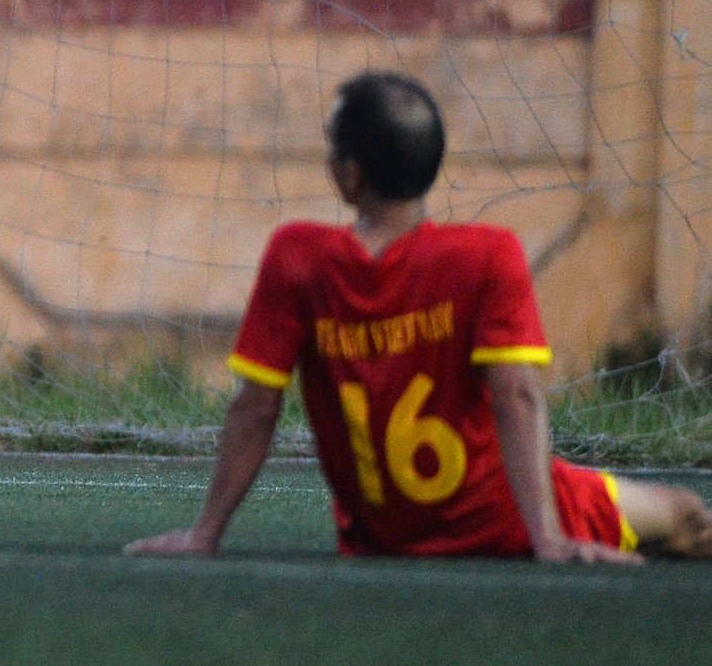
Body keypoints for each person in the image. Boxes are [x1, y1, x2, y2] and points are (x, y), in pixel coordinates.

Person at [127, 70, 712, 563]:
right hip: (504, 520)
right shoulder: (488, 253)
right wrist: (549, 541)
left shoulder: (296, 257)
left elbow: (255, 406)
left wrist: (205, 536)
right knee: (687, 516)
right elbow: (518, 397)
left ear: (349, 174)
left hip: (383, 539)